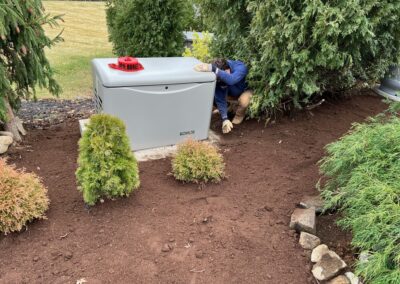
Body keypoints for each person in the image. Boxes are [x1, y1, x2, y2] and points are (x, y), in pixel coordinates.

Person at [194, 58, 252, 134]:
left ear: (227, 70)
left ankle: (238, 115)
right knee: (213, 95)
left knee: (244, 101)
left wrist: (213, 69)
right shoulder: (219, 78)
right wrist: (225, 119)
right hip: (231, 92)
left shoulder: (240, 67)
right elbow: (220, 99)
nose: (219, 79)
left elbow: (232, 80)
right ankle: (228, 110)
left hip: (245, 91)